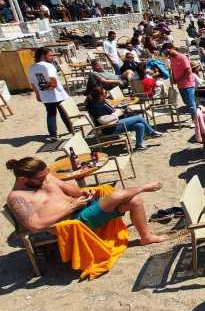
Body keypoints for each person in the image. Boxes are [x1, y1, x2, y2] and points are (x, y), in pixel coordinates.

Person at [5, 157, 167, 245]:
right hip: (70, 224)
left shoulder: (45, 177)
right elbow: (35, 226)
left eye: (45, 174)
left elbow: (72, 191)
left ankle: (146, 237)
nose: (44, 178)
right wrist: (72, 207)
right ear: (23, 179)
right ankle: (144, 187)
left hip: (81, 207)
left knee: (135, 201)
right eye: (40, 177)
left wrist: (83, 192)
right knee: (117, 196)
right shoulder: (17, 197)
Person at [86, 87, 164, 150]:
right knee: (139, 118)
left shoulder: (102, 102)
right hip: (110, 128)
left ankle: (139, 145)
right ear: (100, 96)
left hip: (115, 123)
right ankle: (152, 132)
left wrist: (121, 111)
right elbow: (103, 121)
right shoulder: (96, 107)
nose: (107, 93)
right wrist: (117, 114)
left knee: (140, 125)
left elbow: (111, 112)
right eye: (105, 92)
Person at [28, 48, 73, 142]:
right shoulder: (48, 66)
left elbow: (32, 83)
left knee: (51, 115)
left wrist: (38, 94)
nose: (52, 57)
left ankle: (53, 135)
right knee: (64, 113)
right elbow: (53, 81)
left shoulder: (32, 67)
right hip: (58, 94)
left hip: (45, 95)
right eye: (50, 55)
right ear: (43, 56)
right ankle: (71, 130)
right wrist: (50, 87)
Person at [166, 45, 197, 122]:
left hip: (188, 83)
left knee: (191, 103)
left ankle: (195, 120)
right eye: (167, 52)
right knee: (186, 102)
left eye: (169, 51)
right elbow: (172, 70)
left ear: (173, 48)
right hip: (180, 84)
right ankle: (194, 116)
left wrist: (179, 79)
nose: (168, 53)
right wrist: (173, 78)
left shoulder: (182, 57)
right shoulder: (172, 58)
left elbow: (188, 70)